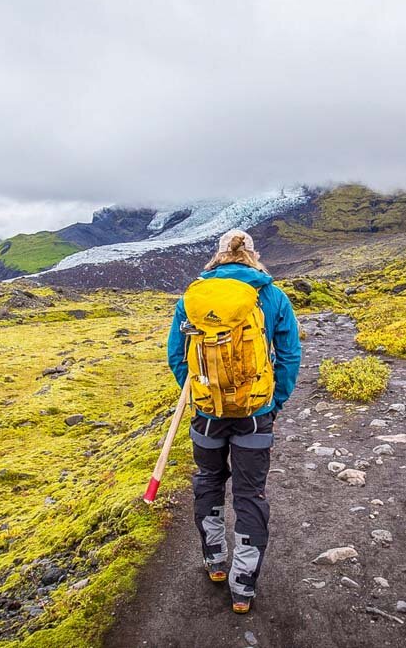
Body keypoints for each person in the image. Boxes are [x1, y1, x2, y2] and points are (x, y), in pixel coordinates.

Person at [167, 229, 301, 614]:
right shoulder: (272, 296)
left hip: (207, 415)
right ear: (253, 256)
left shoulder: (193, 298)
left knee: (208, 481)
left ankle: (214, 563)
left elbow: (177, 355)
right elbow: (290, 355)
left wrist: (199, 396)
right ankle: (243, 586)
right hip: (255, 415)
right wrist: (274, 402)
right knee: (249, 494)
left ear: (219, 256)